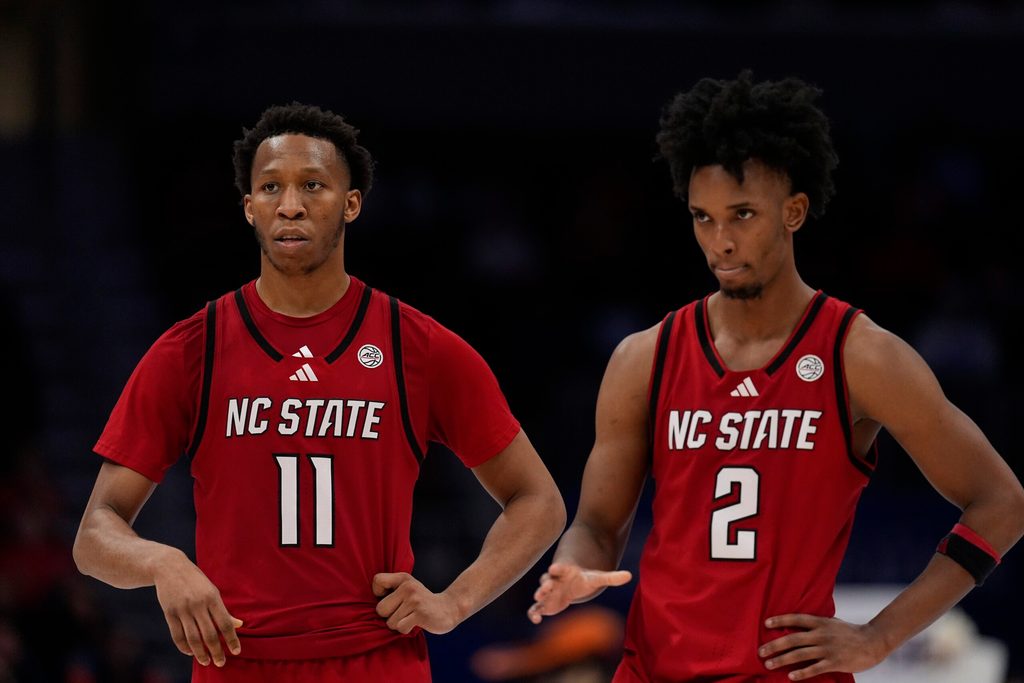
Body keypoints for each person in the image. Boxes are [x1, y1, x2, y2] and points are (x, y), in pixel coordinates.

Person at [527, 72, 1024, 682]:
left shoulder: (858, 355)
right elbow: (599, 525)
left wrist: (879, 636)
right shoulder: (645, 357)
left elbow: (1002, 502)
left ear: (793, 211)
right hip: (653, 670)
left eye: (742, 215)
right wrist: (573, 568)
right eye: (703, 218)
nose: (722, 242)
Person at [72, 102, 566, 682]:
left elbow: (539, 502)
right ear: (249, 207)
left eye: (313, 185)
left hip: (376, 661)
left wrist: (454, 602)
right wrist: (161, 561)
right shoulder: (191, 350)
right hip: (238, 662)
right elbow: (95, 533)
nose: (290, 205)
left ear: (351, 203)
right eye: (270, 187)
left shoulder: (419, 347)